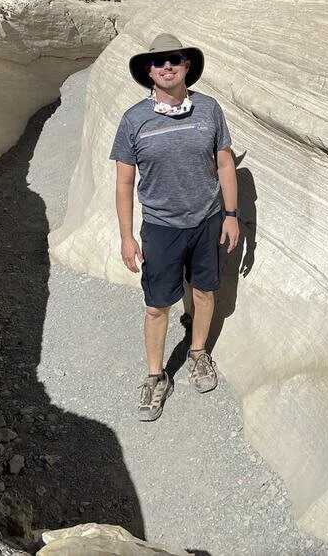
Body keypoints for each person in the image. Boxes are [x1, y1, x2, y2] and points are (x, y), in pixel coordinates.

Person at [110, 32, 240, 421]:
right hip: (162, 227)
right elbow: (123, 181)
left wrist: (231, 215)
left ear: (187, 67)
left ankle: (198, 353)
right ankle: (156, 375)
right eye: (158, 61)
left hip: (206, 220)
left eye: (174, 60)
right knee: (156, 306)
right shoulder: (134, 120)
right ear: (148, 72)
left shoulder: (209, 110)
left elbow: (225, 164)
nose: (166, 66)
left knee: (203, 293)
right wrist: (126, 236)